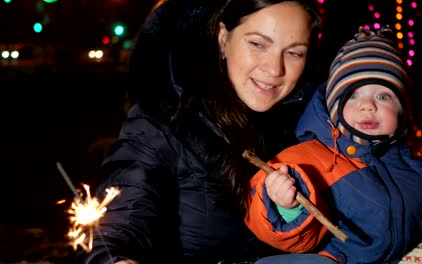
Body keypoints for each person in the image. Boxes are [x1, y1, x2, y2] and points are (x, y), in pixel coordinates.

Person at [75, 0, 321, 263]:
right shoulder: (165, 122)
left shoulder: (312, 127)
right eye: (258, 44)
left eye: (294, 53)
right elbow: (117, 223)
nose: (275, 69)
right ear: (223, 37)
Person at [244, 26, 422, 263]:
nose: (367, 105)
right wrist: (285, 205)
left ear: (404, 110)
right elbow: (282, 233)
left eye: (383, 96)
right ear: (334, 106)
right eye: (354, 95)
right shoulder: (308, 160)